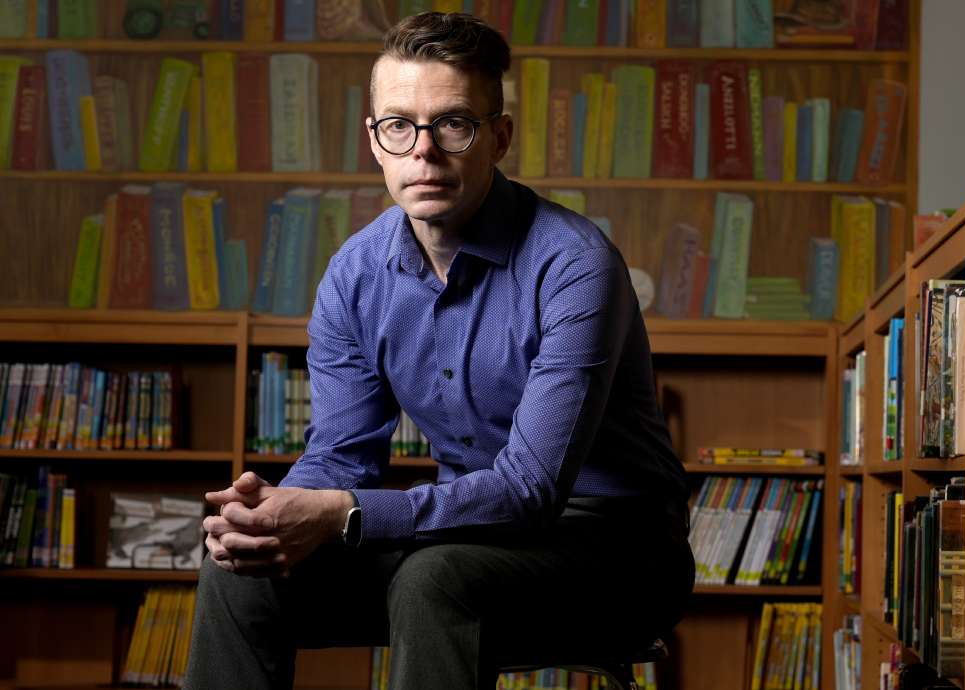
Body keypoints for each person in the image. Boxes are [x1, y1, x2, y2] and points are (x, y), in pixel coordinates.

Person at [183, 11, 694, 690]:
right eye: (399, 125)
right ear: (375, 140)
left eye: (453, 123)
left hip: (616, 557)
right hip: (460, 540)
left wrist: (341, 514)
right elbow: (341, 455)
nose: (423, 150)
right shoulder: (354, 273)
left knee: (437, 579)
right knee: (239, 572)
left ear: (499, 137)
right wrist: (275, 516)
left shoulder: (575, 265)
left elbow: (530, 491)